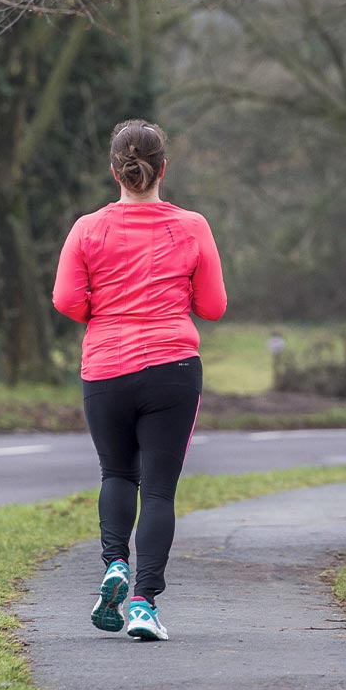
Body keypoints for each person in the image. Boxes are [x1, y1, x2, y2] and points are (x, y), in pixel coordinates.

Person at [52, 119, 227, 641]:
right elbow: (213, 306)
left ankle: (113, 564)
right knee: (159, 492)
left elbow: (65, 300)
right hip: (172, 368)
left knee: (116, 474)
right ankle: (144, 604)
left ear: (115, 171)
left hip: (105, 366)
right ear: (163, 169)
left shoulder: (88, 228)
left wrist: (102, 313)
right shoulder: (191, 226)